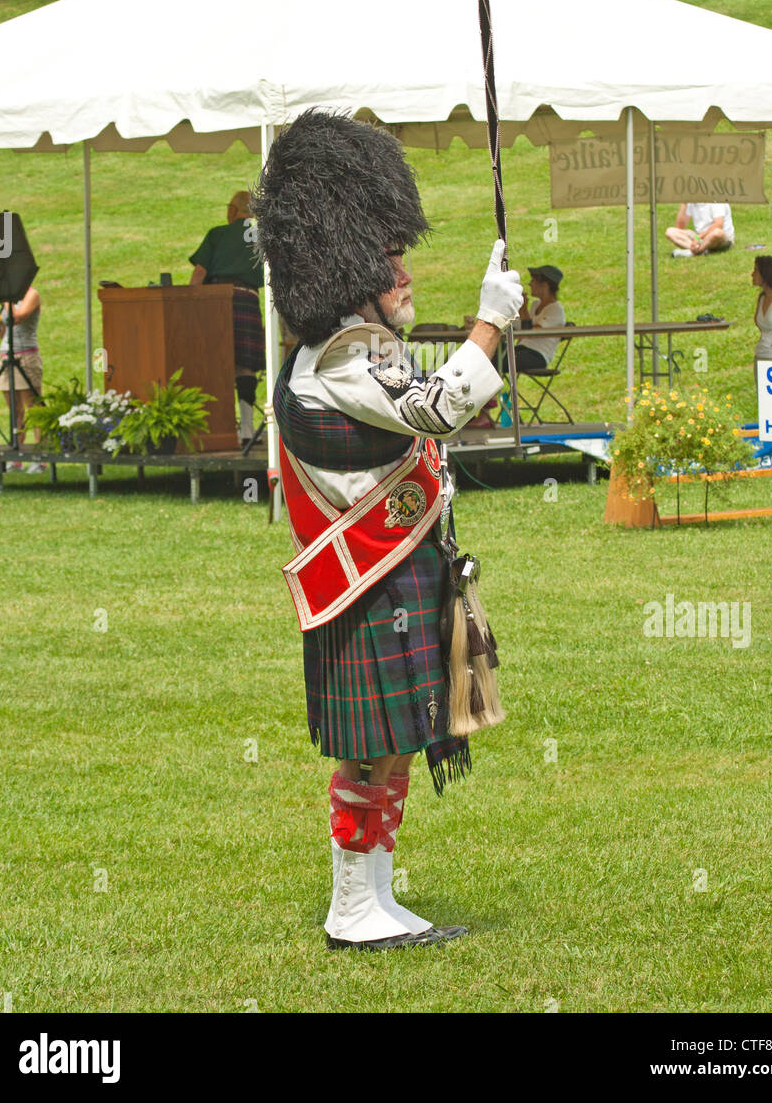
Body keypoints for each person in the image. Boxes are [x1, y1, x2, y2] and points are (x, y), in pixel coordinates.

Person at [252, 109, 523, 951]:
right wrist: (489, 323)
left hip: (391, 571)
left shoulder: (348, 344)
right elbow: (438, 409)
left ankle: (373, 896)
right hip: (372, 579)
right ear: (344, 268)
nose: (404, 270)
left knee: (394, 744)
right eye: (389, 257)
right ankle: (352, 905)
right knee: (374, 752)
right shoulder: (343, 357)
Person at [189, 190, 265, 448]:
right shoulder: (260, 235)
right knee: (245, 366)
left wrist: (190, 304)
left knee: (217, 362)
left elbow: (200, 272)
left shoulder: (218, 234)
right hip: (247, 299)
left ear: (232, 211)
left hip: (217, 302)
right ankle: (246, 429)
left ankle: (217, 428)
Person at [0, 286, 46, 471]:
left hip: (26, 356)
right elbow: (0, 332)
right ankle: (17, 457)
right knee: (15, 411)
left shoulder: (31, 294)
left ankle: (40, 458)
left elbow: (17, 318)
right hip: (6, 357)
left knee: (34, 410)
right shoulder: (8, 299)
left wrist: (6, 300)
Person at [516, 265, 567, 371]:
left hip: (537, 356)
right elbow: (523, 329)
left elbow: (531, 333)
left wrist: (524, 309)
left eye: (533, 281)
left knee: (496, 360)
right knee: (493, 353)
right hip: (522, 350)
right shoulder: (536, 304)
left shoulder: (555, 309)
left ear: (544, 285)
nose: (530, 284)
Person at [666, 202, 734, 256]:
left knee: (717, 233)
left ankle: (695, 251)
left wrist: (698, 237)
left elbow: (718, 225)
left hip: (721, 238)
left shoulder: (716, 200)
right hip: (700, 238)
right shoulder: (692, 201)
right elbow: (680, 227)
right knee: (670, 232)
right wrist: (684, 204)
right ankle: (699, 250)